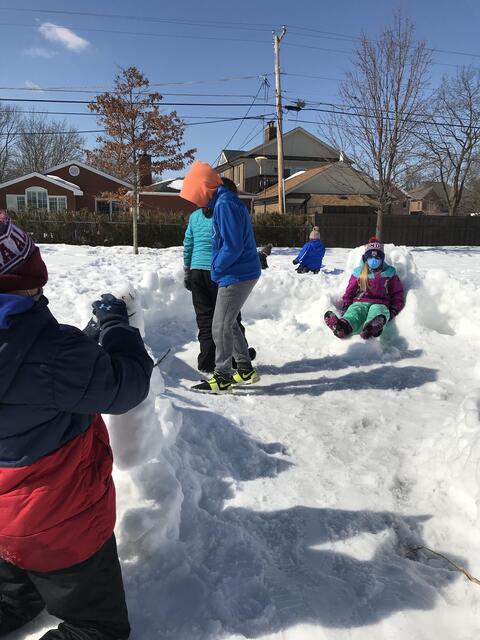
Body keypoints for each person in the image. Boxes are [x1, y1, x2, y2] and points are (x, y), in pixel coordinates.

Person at [0, 212, 153, 639]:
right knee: (98, 629)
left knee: (13, 595)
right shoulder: (55, 354)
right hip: (61, 526)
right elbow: (127, 385)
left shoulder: (48, 353)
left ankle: (20, 598)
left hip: (5, 522)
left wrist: (79, 347)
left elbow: (28, 384)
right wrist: (115, 327)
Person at [180, 161, 261, 393]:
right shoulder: (225, 201)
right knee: (230, 321)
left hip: (237, 273)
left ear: (204, 189)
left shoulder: (225, 204)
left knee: (220, 325)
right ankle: (245, 369)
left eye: (195, 196)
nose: (195, 202)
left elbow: (232, 247)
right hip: (239, 271)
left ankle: (223, 376)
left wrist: (216, 268)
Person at [324, 236, 404, 340]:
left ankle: (371, 328)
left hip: (380, 302)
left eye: (377, 258)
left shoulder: (389, 272)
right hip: (360, 301)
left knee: (379, 311)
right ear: (366, 258)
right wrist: (346, 306)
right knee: (355, 312)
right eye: (370, 257)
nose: (374, 260)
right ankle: (343, 327)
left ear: (382, 259)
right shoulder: (359, 272)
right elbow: (350, 291)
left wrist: (394, 310)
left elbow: (397, 293)